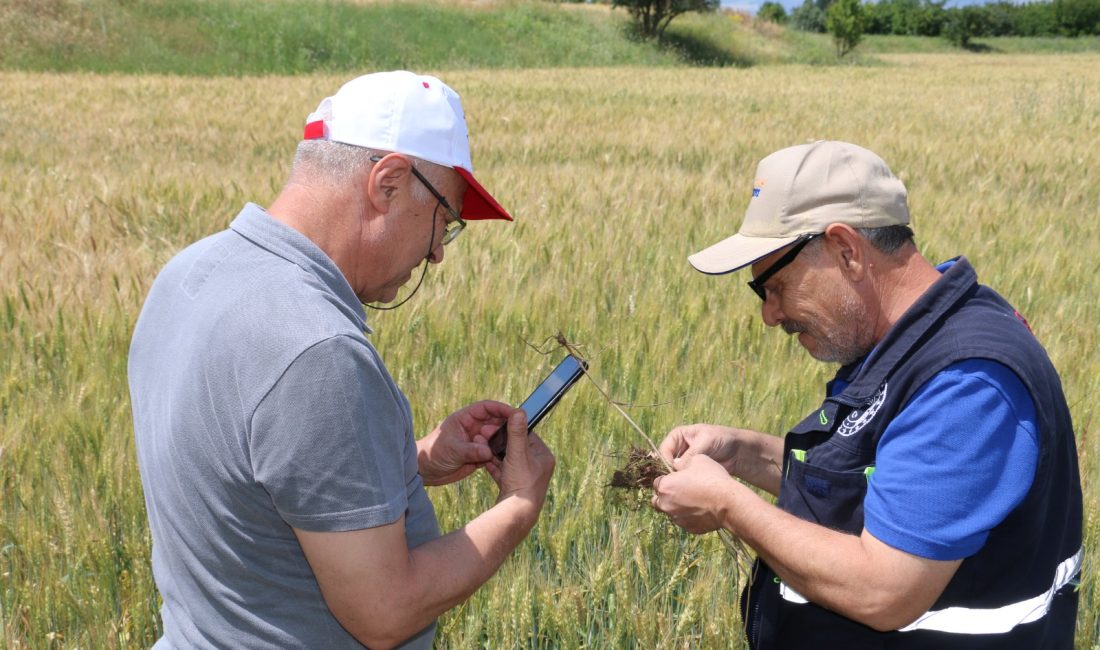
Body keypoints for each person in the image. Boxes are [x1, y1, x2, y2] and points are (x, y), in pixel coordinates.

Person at [128, 70, 556, 649]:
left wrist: (415, 462)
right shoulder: (316, 351)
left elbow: (258, 480)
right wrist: (519, 506)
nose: (436, 253)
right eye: (444, 222)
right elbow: (383, 611)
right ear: (389, 182)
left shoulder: (190, 273)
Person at [650, 140, 1082, 649]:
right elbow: (890, 487)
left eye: (774, 286)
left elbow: (885, 591)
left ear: (848, 251)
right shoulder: (915, 340)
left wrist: (728, 506)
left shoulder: (968, 382)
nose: (770, 314)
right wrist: (745, 454)